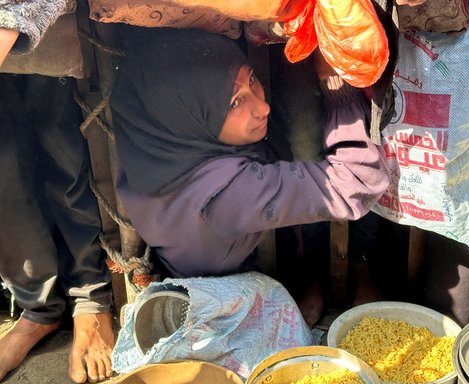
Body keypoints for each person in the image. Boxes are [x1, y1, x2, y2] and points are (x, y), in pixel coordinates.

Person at [109, 27, 391, 326]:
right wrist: (338, 88)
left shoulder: (154, 145)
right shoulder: (229, 195)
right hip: (229, 277)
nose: (262, 106)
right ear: (191, 117)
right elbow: (360, 181)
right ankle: (314, 273)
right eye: (234, 102)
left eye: (252, 80)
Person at [0, 2, 115, 384]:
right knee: (5, 179)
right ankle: (38, 308)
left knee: (65, 154)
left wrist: (9, 21)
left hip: (34, 17)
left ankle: (91, 300)